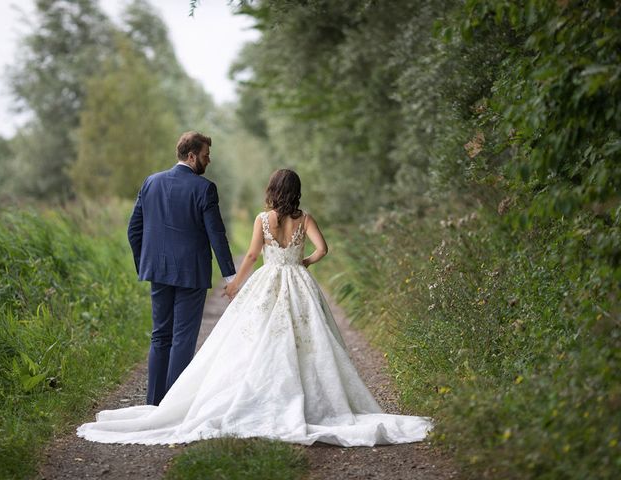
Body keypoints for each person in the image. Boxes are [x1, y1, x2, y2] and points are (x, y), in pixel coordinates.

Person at [77, 169, 434, 446]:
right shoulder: (304, 218)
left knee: (254, 339)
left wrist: (235, 282)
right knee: (307, 339)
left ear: (272, 190)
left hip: (267, 281)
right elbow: (324, 249)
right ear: (296, 191)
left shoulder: (263, 220)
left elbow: (250, 254)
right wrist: (304, 263)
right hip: (298, 282)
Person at [126, 131, 236, 406]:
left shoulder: (151, 183)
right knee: (182, 338)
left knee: (160, 335)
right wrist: (231, 276)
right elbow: (216, 235)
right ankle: (173, 406)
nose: (208, 161)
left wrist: (145, 264)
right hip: (191, 273)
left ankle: (154, 404)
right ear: (191, 156)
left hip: (157, 271)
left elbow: (133, 230)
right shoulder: (204, 188)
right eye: (205, 155)